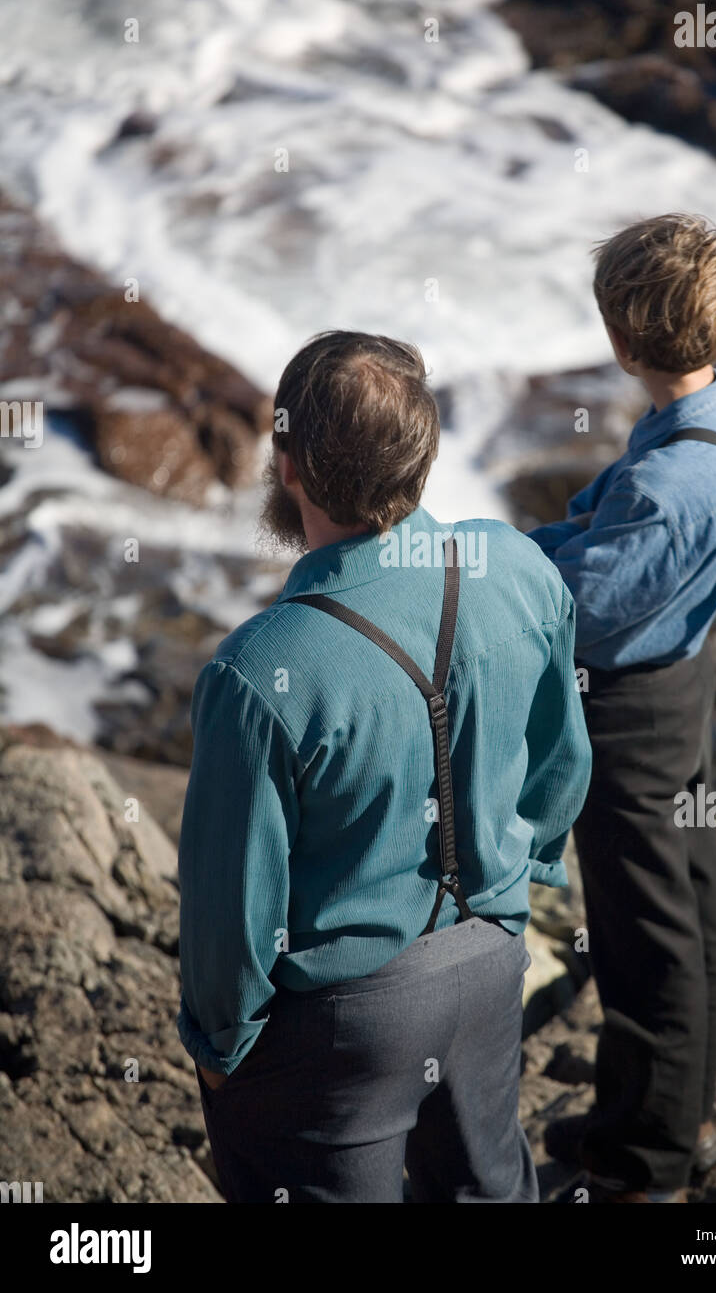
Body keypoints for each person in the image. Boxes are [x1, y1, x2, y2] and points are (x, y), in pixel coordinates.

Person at [177, 329, 592, 1203]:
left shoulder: (257, 673)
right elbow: (561, 765)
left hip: (347, 1024)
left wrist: (221, 1052)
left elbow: (230, 915)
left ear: (285, 466)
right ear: (425, 458)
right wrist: (518, 885)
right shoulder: (521, 570)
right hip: (490, 963)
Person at [529, 213, 716, 1204]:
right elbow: (606, 527)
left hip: (628, 707)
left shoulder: (674, 479)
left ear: (621, 341)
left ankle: (646, 1166)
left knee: (642, 933)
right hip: (678, 679)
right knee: (688, 899)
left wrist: (496, 569)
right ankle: (676, 1112)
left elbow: (576, 604)